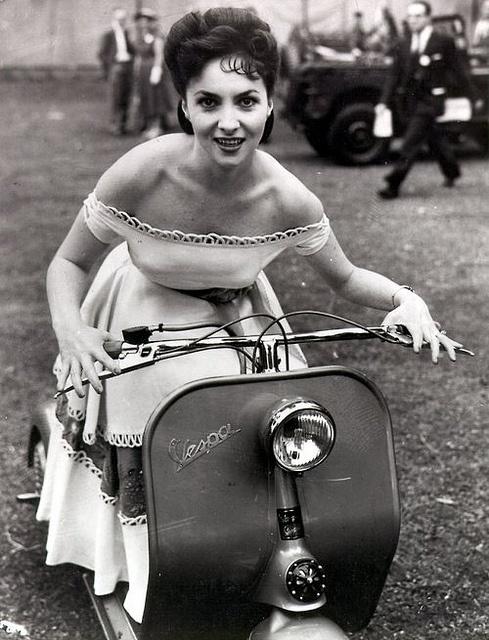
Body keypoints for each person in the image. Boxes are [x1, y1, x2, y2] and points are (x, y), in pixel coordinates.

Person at [37, 7, 459, 624]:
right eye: (208, 102)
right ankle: (147, 571)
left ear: (269, 104)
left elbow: (345, 278)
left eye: (247, 101)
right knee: (157, 429)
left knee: (274, 426)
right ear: (184, 105)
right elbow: (68, 262)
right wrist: (72, 329)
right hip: (141, 309)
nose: (229, 122)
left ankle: (252, 554)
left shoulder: (288, 198)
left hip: (240, 319)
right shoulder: (142, 172)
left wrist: (406, 300)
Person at [376, 0, 480, 199]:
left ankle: (393, 184)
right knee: (435, 137)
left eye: (418, 16)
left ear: (428, 18)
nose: (413, 20)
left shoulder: (443, 42)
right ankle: (452, 171)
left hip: (432, 101)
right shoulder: (404, 44)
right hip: (410, 102)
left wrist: (473, 97)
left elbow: (459, 72)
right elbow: (393, 75)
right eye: (410, 16)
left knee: (411, 142)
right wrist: (383, 101)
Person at [132, 8, 172, 138]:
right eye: (141, 21)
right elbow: (139, 55)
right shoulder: (142, 37)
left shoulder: (157, 36)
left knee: (155, 97)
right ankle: (150, 124)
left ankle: (157, 126)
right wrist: (137, 70)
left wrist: (156, 70)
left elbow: (159, 55)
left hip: (153, 69)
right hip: (143, 71)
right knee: (145, 96)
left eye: (147, 21)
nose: (143, 24)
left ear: (152, 22)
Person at [97, 8, 135, 136]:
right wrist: (110, 67)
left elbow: (132, 50)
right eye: (119, 19)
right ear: (114, 19)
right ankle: (115, 125)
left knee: (126, 95)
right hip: (116, 67)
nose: (121, 21)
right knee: (116, 97)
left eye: (124, 19)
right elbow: (102, 53)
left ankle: (123, 124)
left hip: (127, 66)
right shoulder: (109, 35)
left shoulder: (127, 33)